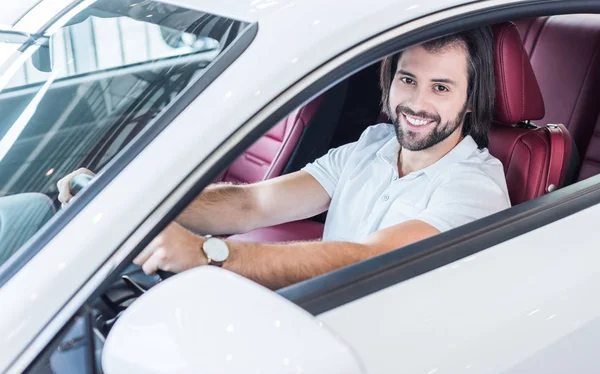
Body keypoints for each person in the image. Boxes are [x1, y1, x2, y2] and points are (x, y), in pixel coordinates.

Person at [58, 27, 510, 290]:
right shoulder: (372, 146)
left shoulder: (475, 186)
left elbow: (366, 257)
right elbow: (253, 203)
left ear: (471, 102)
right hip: (321, 308)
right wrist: (132, 205)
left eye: (441, 88)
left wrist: (206, 253)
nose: (415, 103)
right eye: (407, 79)